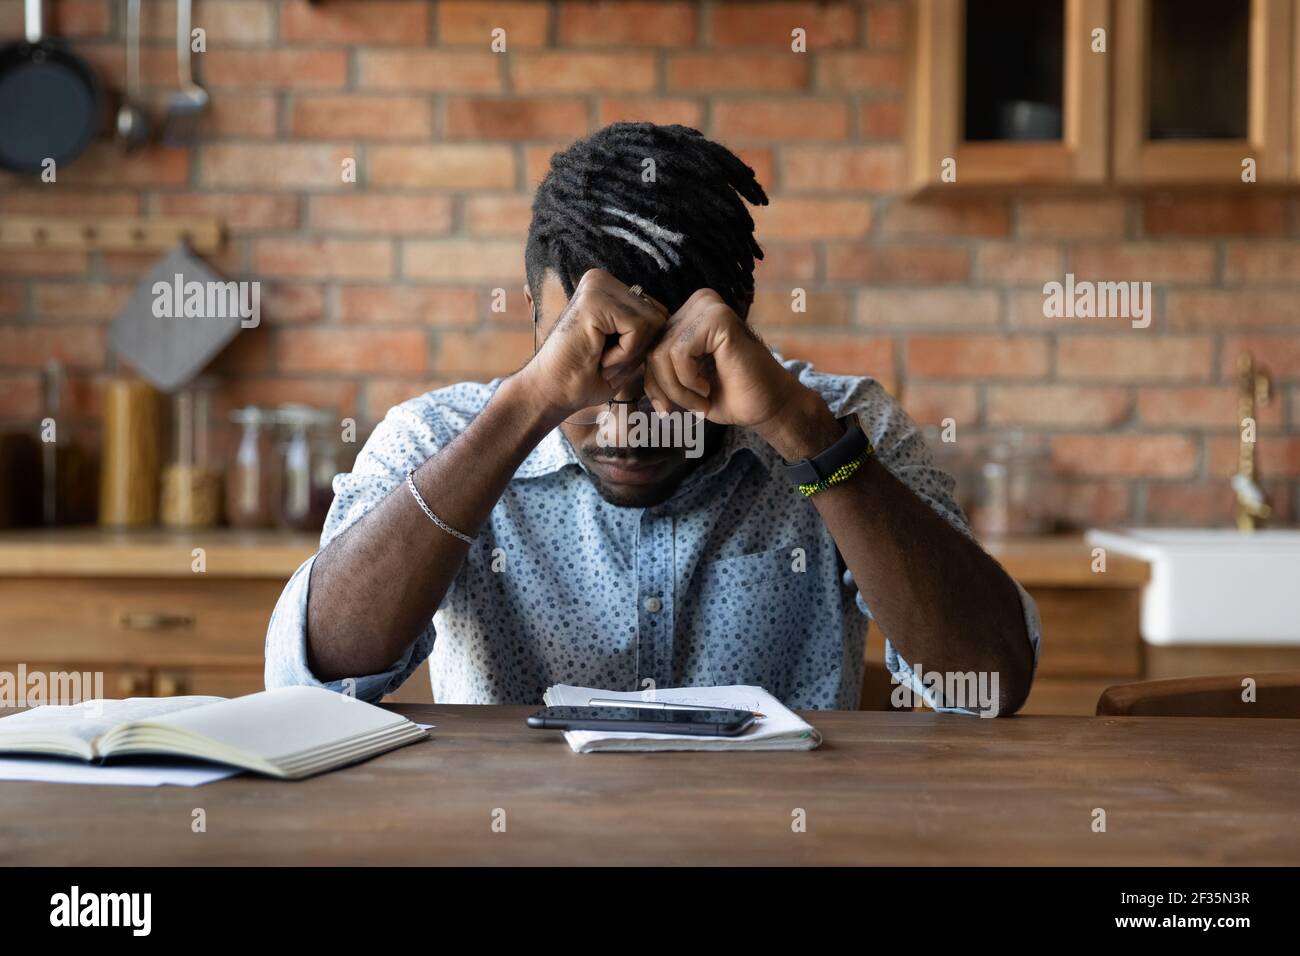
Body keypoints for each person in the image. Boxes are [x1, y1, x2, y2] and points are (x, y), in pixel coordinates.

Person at [265, 122, 1040, 715]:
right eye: (591, 362)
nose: (629, 421)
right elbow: (314, 675)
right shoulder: (440, 441)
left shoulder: (839, 427)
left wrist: (808, 439)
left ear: (733, 327)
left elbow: (991, 687)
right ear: (538, 327)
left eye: (675, 367)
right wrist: (530, 405)